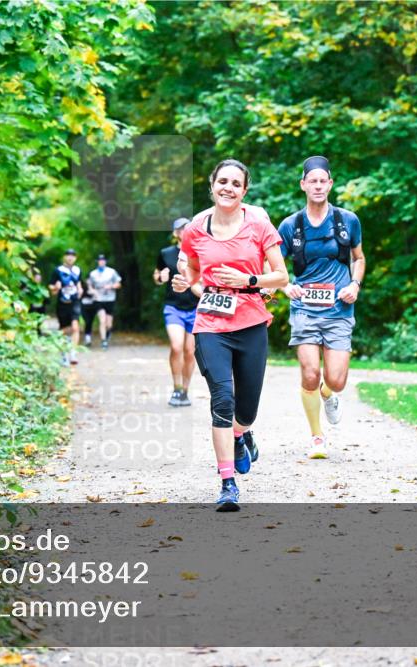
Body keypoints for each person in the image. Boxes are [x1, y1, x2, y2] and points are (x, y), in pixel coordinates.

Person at [172, 159, 288, 511]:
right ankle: (227, 483)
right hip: (211, 325)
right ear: (212, 185)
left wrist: (250, 282)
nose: (228, 187)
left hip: (251, 322)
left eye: (235, 183)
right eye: (222, 181)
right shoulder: (196, 228)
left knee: (247, 409)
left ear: (244, 190)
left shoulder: (258, 224)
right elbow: (189, 268)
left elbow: (281, 277)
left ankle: (241, 434)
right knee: (222, 399)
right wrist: (191, 285)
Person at [277, 156, 365, 460]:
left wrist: (354, 284)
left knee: (336, 380)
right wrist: (286, 285)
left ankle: (328, 395)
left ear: (330, 183)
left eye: (322, 180)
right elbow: (273, 263)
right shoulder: (291, 225)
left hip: (339, 310)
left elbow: (360, 258)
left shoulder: (348, 220)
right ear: (303, 185)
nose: (317, 185)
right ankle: (317, 437)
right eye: (311, 180)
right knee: (310, 372)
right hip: (304, 309)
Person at [155, 218, 201, 407]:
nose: (185, 230)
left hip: (195, 307)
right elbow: (156, 276)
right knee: (176, 346)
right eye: (181, 229)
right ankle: (176, 388)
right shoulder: (165, 253)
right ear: (175, 233)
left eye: (188, 227)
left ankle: (185, 391)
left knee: (190, 351)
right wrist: (160, 277)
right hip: (173, 307)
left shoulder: (200, 253)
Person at [49, 249, 83, 365]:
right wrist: (55, 288)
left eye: (73, 256)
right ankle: (63, 354)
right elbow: (51, 287)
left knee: (75, 327)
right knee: (64, 330)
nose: (70, 258)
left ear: (75, 258)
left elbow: (78, 282)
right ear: (64, 257)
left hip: (75, 302)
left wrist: (80, 289)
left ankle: (73, 353)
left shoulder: (77, 270)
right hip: (62, 303)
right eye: (68, 255)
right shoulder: (58, 270)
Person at [87, 254, 122, 349]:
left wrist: (111, 286)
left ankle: (108, 334)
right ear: (97, 262)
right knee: (102, 321)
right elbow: (89, 285)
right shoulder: (93, 274)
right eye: (99, 260)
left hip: (110, 299)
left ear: (105, 261)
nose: (101, 262)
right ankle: (103, 341)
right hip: (98, 299)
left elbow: (119, 284)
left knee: (109, 324)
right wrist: (92, 291)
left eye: (103, 260)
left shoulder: (111, 272)